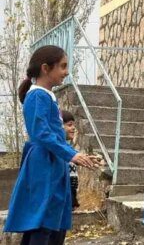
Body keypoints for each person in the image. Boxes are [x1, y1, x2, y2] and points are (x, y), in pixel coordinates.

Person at [4, 45, 98, 245]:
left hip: (53, 162)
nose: (66, 72)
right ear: (46, 68)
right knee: (42, 221)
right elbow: (41, 133)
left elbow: (54, 133)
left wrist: (75, 154)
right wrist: (70, 154)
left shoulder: (47, 96)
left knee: (51, 223)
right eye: (63, 66)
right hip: (42, 164)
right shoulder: (37, 95)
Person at [61, 110, 80, 210]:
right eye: (69, 125)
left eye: (73, 125)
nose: (73, 128)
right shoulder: (59, 150)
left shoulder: (68, 148)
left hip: (70, 196)